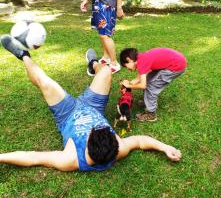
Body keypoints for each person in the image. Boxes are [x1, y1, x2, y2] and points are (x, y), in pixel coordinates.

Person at [0, 35, 181, 171]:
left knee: (44, 82)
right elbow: (141, 141)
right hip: (94, 105)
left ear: (88, 145)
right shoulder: (119, 148)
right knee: (107, 72)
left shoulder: (70, 160)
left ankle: (23, 55)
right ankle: (94, 64)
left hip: (67, 113)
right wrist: (165, 147)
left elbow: (33, 157)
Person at [120, 47, 187, 122]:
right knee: (149, 80)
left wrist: (129, 86)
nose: (128, 69)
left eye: (126, 66)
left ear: (129, 59)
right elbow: (140, 76)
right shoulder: (141, 58)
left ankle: (151, 114)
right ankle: (148, 101)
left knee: (151, 87)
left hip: (175, 66)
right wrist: (130, 83)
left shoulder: (142, 61)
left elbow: (143, 85)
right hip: (175, 62)